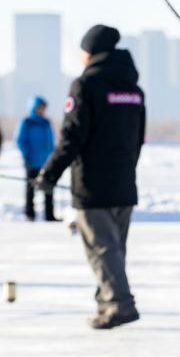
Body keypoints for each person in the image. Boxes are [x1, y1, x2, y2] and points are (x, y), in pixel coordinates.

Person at [33, 24, 145, 329]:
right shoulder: (133, 90)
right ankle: (106, 303)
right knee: (115, 250)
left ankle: (120, 305)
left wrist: (49, 174)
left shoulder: (86, 85)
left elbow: (72, 137)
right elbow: (138, 139)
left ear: (91, 52)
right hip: (124, 182)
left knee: (102, 249)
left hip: (93, 185)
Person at [16, 96, 57, 221]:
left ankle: (49, 215)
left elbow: (51, 140)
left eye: (43, 108)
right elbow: (20, 140)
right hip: (31, 161)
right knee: (30, 189)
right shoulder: (26, 122)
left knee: (48, 187)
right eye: (39, 107)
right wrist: (26, 154)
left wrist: (53, 156)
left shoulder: (46, 122)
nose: (41, 110)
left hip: (46, 162)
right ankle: (30, 214)